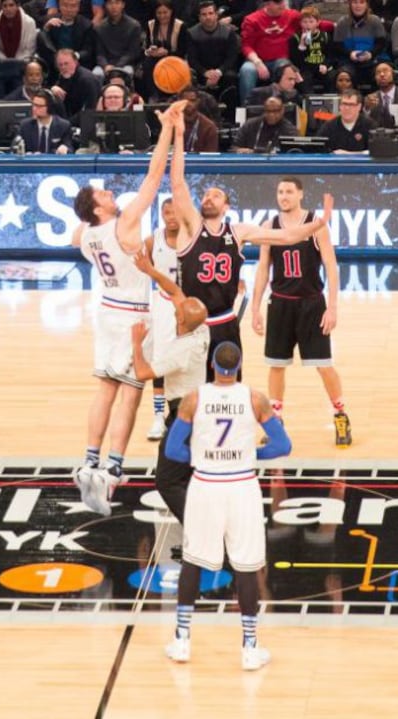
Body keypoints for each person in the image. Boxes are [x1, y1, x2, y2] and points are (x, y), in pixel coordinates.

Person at [72, 99, 186, 516]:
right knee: (129, 394)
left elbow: (75, 233)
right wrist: (169, 131)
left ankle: (89, 460)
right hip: (136, 312)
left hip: (106, 310)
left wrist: (86, 217)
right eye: (103, 193)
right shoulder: (121, 224)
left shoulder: (85, 234)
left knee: (103, 388)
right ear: (98, 207)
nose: (110, 193)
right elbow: (154, 177)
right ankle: (113, 470)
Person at [170, 107, 334, 381]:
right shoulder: (191, 228)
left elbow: (286, 237)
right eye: (206, 195)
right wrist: (178, 135)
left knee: (230, 387)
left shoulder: (238, 231)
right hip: (193, 322)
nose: (209, 198)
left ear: (227, 206)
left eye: (216, 195)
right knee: (190, 391)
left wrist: (319, 222)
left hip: (225, 322)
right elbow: (177, 183)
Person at [163, 341, 292, 669]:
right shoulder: (254, 398)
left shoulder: (194, 398)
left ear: (212, 366)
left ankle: (181, 641)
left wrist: (200, 458)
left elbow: (173, 451)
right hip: (242, 486)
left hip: (205, 486)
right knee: (247, 566)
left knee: (192, 561)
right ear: (238, 366)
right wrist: (254, 455)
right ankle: (249, 648)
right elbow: (282, 445)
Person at [251, 176, 352, 447]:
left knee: (323, 365)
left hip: (311, 303)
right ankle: (276, 422)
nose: (283, 196)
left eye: (289, 192)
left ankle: (340, 415)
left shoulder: (316, 225)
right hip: (280, 303)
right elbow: (263, 268)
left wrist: (332, 307)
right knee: (276, 365)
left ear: (300, 195)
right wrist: (255, 307)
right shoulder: (268, 226)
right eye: (280, 191)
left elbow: (331, 266)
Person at [131, 250, 209, 523]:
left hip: (184, 419)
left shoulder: (181, 352)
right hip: (200, 412)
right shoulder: (201, 329)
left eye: (177, 312)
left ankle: (197, 528)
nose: (175, 307)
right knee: (190, 476)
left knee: (166, 481)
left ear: (180, 321)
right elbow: (175, 291)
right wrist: (149, 271)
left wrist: (137, 343)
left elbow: (142, 373)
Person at [144, 197, 180, 441]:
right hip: (163, 304)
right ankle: (159, 416)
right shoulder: (152, 240)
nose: (171, 216)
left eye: (174, 212)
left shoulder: (194, 237)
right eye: (166, 212)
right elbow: (139, 268)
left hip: (187, 305)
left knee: (187, 361)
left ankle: (182, 413)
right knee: (159, 360)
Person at [316, 87, 377, 153]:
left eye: (351, 104)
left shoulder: (370, 125)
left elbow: (376, 151)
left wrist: (349, 154)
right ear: (340, 106)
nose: (347, 108)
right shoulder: (329, 126)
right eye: (344, 104)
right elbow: (318, 149)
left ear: (359, 107)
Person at [14, 87, 73, 153]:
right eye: (34, 105)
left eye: (39, 106)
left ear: (50, 108)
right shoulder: (24, 126)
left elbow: (69, 148)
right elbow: (14, 148)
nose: (34, 109)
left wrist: (64, 148)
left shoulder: (63, 126)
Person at [231, 96, 298, 153]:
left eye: (275, 111)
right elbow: (233, 148)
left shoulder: (290, 130)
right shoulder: (249, 125)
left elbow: (294, 153)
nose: (271, 115)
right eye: (268, 111)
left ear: (282, 110)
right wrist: (240, 150)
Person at [178, 84, 219, 152]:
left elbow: (210, 157)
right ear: (179, 101)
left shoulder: (209, 127)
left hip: (200, 162)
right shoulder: (170, 124)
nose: (189, 104)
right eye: (185, 100)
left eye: (192, 100)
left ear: (198, 101)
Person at [364, 61, 398, 129]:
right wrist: (366, 108)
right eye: (378, 72)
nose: (382, 74)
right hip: (376, 137)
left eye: (385, 71)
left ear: (393, 74)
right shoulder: (370, 99)